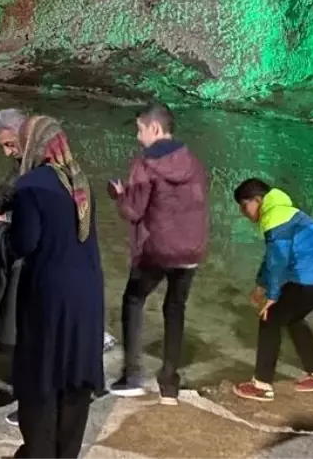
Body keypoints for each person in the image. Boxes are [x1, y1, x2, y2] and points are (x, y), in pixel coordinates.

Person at [8, 116, 105, 459]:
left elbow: (24, 242)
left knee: (41, 376)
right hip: (88, 295)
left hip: (50, 295)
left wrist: (3, 228)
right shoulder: (81, 182)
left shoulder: (31, 185)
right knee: (75, 377)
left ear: (33, 144)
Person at [108, 102, 209, 405]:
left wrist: (119, 195)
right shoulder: (194, 161)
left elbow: (133, 211)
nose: (139, 138)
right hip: (192, 248)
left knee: (133, 299)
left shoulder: (145, 164)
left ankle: (132, 376)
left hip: (157, 249)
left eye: (140, 130)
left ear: (154, 128)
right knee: (175, 307)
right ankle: (169, 383)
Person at [231, 179, 313, 402]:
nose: (244, 213)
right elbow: (273, 257)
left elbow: (278, 260)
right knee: (292, 318)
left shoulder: (275, 216)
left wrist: (272, 296)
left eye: (244, 206)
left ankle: (261, 386)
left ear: (258, 200)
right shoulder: (283, 211)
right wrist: (262, 285)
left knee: (270, 317)